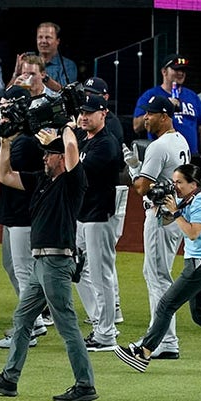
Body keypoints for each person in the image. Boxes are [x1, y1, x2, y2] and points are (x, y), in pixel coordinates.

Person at [0, 124, 97, 401]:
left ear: (62, 160)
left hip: (56, 261)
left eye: (49, 154)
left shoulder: (72, 182)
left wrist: (66, 128)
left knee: (66, 324)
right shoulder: (42, 181)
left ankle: (85, 384)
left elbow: (70, 148)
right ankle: (9, 378)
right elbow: (3, 175)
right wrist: (5, 142)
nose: (44, 158)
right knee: (22, 318)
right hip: (40, 263)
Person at [115, 164, 201, 374]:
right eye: (174, 181)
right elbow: (167, 220)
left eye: (179, 182)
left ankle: (144, 353)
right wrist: (156, 205)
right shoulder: (190, 199)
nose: (175, 186)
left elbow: (192, 233)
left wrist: (175, 211)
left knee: (166, 305)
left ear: (193, 184)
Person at [0, 85, 48, 350]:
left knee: (24, 271)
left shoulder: (26, 142)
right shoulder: (18, 136)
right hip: (15, 215)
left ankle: (30, 326)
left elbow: (1, 171)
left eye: (6, 111)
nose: (2, 116)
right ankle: (34, 319)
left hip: (23, 217)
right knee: (12, 266)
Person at [130, 95, 190, 359]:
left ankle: (164, 340)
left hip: (160, 217)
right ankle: (162, 336)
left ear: (164, 116)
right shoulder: (181, 140)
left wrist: (134, 169)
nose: (146, 117)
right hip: (175, 216)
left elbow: (142, 187)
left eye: (150, 113)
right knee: (156, 273)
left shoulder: (158, 146)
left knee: (158, 277)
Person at [73, 94, 123, 352]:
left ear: (103, 114)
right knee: (78, 270)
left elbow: (77, 171)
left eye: (90, 112)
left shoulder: (107, 143)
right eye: (82, 112)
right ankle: (100, 324)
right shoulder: (84, 138)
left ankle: (106, 334)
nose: (84, 116)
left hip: (99, 215)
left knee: (101, 274)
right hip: (82, 214)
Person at [134, 54, 201, 162]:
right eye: (176, 69)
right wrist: (161, 107)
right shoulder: (151, 95)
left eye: (183, 70)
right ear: (164, 71)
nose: (181, 73)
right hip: (163, 157)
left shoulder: (192, 96)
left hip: (191, 158)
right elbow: (136, 126)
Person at [34, 23, 77, 91]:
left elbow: (67, 94)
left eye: (48, 37)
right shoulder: (29, 64)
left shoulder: (68, 65)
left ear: (57, 41)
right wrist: (15, 75)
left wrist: (45, 79)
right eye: (40, 37)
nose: (44, 41)